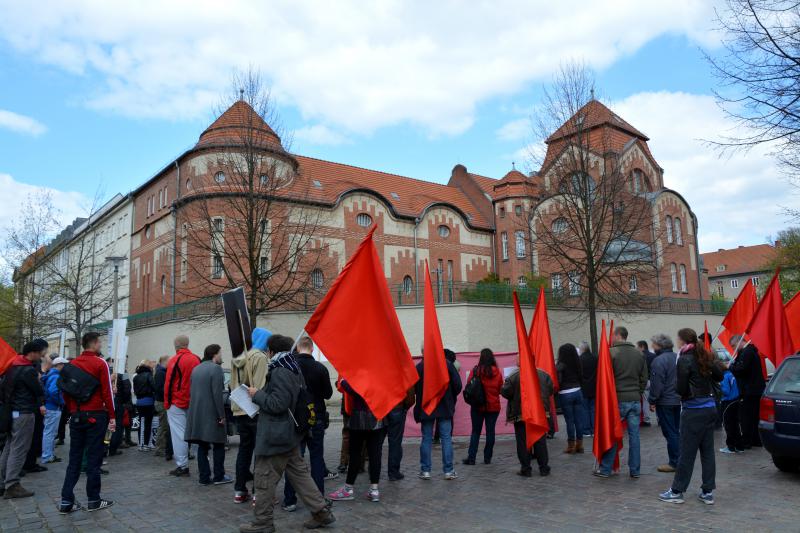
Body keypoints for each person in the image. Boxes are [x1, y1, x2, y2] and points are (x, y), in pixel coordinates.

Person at [239, 334, 335, 533]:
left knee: (264, 479)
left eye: (267, 351)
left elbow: (278, 404)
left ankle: (262, 523)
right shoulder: (291, 366)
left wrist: (257, 395)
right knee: (301, 476)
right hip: (287, 435)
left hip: (277, 436)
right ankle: (321, 512)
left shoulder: (281, 370)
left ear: (271, 351)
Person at [659, 328, 724, 505]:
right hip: (710, 408)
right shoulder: (704, 355)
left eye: (678, 339)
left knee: (687, 452)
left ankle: (677, 491)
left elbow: (680, 388)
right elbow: (719, 376)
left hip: (693, 410)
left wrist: (684, 390)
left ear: (682, 341)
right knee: (707, 451)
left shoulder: (685, 359)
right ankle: (707, 492)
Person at [59, 332, 116, 513]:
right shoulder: (100, 363)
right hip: (96, 415)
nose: (100, 345)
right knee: (94, 458)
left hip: (76, 415)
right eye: (99, 342)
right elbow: (107, 392)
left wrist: (72, 410)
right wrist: (112, 416)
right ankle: (94, 499)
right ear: (94, 343)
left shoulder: (72, 365)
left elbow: (65, 391)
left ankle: (66, 500)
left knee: (74, 458)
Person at [283, 336, 333, 511]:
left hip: (296, 419)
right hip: (316, 416)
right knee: (317, 458)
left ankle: (290, 499)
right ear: (312, 349)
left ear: (297, 349)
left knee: (294, 459)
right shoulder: (320, 368)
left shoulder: (289, 368)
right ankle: (318, 499)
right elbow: (328, 394)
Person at [594, 326, 648, 479]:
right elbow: (644, 377)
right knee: (634, 436)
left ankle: (605, 469)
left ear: (617, 336)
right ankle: (635, 470)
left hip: (617, 399)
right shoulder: (639, 354)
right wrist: (638, 391)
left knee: (613, 434)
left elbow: (605, 378)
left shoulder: (611, 353)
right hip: (634, 399)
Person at [0, 339, 47, 499]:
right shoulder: (28, 370)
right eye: (42, 352)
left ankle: (3, 482)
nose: (43, 356)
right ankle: (12, 484)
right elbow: (38, 391)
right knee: (19, 448)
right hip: (24, 412)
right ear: (33, 352)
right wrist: (41, 377)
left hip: (12, 412)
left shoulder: (12, 366)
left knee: (9, 446)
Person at [327, 379, 387, 503]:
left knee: (355, 454)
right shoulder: (381, 375)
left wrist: (343, 380)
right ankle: (374, 489)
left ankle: (349, 488)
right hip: (377, 417)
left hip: (359, 419)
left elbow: (347, 386)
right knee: (375, 455)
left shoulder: (361, 373)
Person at [230, 327, 271, 504]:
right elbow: (260, 386)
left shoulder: (238, 357)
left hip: (240, 408)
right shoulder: (260, 358)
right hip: (255, 410)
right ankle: (257, 493)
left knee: (244, 451)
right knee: (260, 453)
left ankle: (240, 490)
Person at [185, 344, 231, 486]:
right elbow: (217, 394)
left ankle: (204, 478)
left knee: (202, 446)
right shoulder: (216, 369)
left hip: (197, 414)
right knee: (218, 445)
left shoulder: (196, 369)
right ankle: (219, 476)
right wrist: (221, 416)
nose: (221, 356)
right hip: (212, 414)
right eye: (220, 353)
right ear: (214, 354)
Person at [414, 346, 463, 480]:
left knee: (426, 438)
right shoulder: (447, 364)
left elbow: (414, 388)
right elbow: (458, 385)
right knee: (446, 438)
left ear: (423, 353)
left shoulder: (419, 367)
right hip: (444, 407)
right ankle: (448, 470)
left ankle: (425, 470)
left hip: (426, 407)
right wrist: (449, 397)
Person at [501, 363, 553, 477]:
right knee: (540, 440)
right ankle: (543, 468)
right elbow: (550, 389)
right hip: (538, 412)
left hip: (521, 413)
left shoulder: (514, 375)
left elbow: (505, 392)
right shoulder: (543, 374)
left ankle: (526, 468)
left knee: (523, 441)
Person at [164, 335, 201, 477]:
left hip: (177, 402)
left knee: (179, 435)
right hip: (193, 401)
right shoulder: (196, 359)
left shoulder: (174, 360)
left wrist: (167, 403)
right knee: (196, 433)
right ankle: (201, 461)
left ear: (176, 345)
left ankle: (182, 466)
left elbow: (168, 384)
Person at [462, 348, 504, 466]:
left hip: (477, 406)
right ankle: (487, 458)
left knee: (475, 432)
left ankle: (471, 458)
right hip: (493, 406)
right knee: (490, 432)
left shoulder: (476, 371)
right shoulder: (498, 372)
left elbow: (469, 386)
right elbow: (501, 389)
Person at [648, 334, 681, 473]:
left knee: (670, 432)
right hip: (678, 400)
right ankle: (679, 460)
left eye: (653, 344)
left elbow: (657, 384)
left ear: (659, 345)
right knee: (676, 431)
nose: (652, 347)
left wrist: (652, 400)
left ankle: (675, 462)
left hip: (666, 401)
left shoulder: (659, 361)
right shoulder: (677, 357)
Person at [729, 336, 765, 449]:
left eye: (733, 346)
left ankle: (747, 441)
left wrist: (730, 367)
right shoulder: (749, 351)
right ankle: (755, 440)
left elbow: (741, 369)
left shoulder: (747, 352)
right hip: (754, 389)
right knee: (753, 416)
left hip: (749, 390)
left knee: (746, 417)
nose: (733, 349)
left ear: (740, 342)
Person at [556, 343, 586, 454]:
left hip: (565, 393)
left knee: (569, 421)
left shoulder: (560, 365)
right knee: (579, 420)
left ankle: (571, 446)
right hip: (578, 391)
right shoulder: (577, 362)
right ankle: (580, 445)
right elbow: (581, 377)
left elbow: (558, 381)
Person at [41, 356, 68, 464]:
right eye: (64, 365)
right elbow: (53, 392)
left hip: (51, 406)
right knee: (50, 432)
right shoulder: (56, 376)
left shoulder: (51, 374)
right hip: (53, 407)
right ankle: (47, 456)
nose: (66, 367)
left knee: (50, 432)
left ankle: (49, 455)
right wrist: (61, 402)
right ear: (60, 365)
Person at [386, 385, 414, 481]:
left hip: (382, 406)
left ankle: (373, 473)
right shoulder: (402, 369)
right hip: (397, 406)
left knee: (376, 443)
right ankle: (393, 472)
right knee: (395, 442)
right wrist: (405, 406)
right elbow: (410, 389)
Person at [719, 361, 744, 454]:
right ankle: (739, 446)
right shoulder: (730, 374)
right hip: (735, 401)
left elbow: (726, 391)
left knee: (728, 425)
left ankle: (730, 447)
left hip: (728, 402)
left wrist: (718, 387)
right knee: (735, 424)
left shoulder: (724, 377)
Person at [132, 360, 156, 451]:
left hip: (139, 402)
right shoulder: (149, 375)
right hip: (148, 401)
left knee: (141, 423)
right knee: (147, 423)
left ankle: (140, 444)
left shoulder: (136, 377)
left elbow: (134, 390)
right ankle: (146, 444)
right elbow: (154, 387)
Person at [107, 371, 131, 457]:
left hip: (109, 403)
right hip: (118, 403)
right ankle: (113, 449)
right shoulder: (124, 374)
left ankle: (105, 448)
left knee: (108, 427)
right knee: (117, 427)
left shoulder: (108, 371)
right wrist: (124, 401)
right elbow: (127, 389)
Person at [153, 355, 173, 459]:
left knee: (164, 426)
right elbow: (160, 388)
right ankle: (159, 449)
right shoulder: (161, 373)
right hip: (161, 402)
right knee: (164, 426)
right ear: (164, 361)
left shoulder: (161, 371)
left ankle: (162, 447)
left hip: (161, 401)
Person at [578, 342, 597, 437]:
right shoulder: (595, 358)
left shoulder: (579, 360)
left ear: (582, 349)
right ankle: (594, 430)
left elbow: (578, 374)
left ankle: (586, 430)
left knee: (585, 410)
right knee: (593, 409)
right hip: (594, 388)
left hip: (584, 388)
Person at [638, 340, 657, 427]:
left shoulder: (640, 356)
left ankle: (647, 420)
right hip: (654, 380)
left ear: (642, 346)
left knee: (645, 401)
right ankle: (659, 419)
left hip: (645, 381)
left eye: (638, 347)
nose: (637, 349)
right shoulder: (654, 356)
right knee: (657, 399)